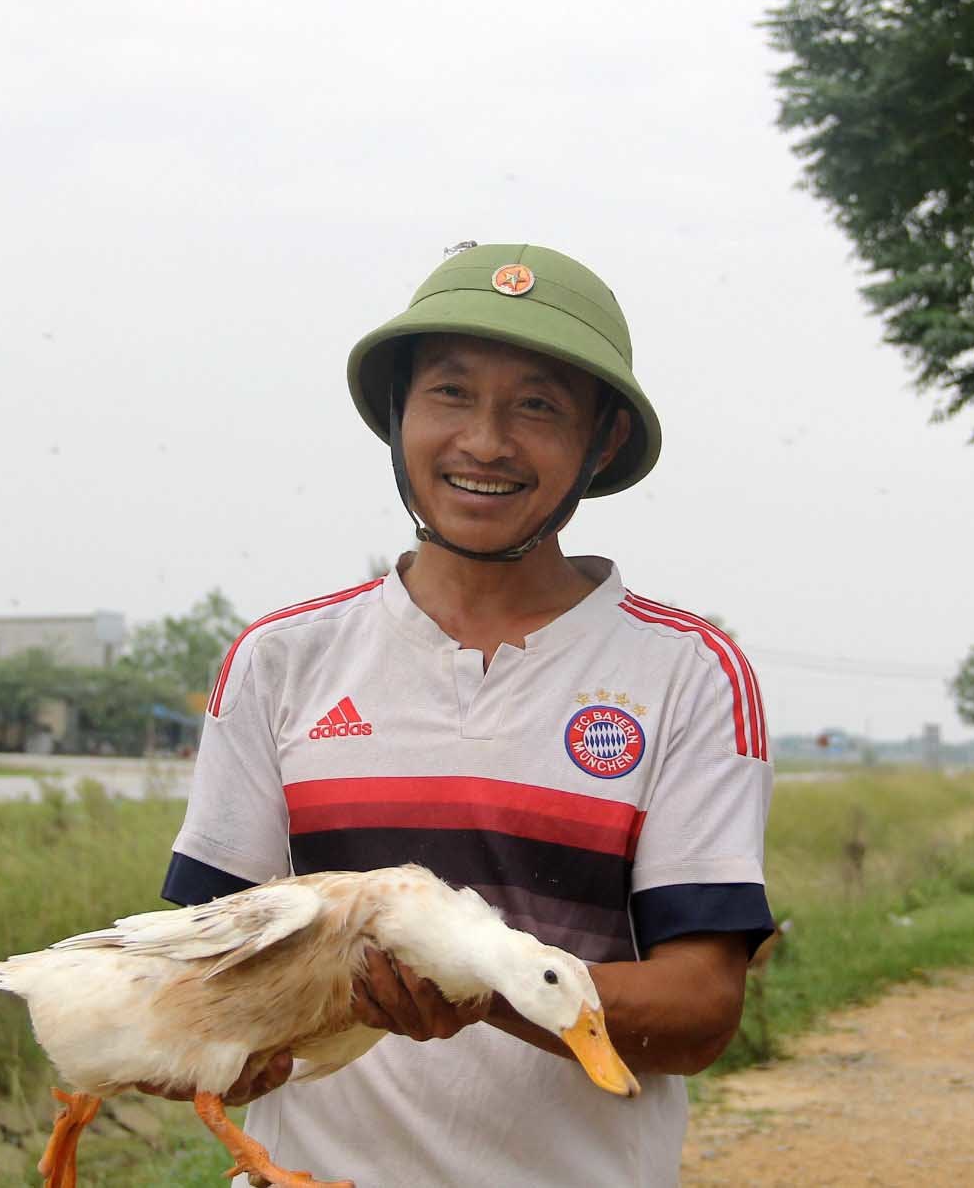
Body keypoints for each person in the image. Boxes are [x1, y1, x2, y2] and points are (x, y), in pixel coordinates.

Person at [159, 242, 775, 1187]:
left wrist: (483, 988)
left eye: (536, 405)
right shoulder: (281, 660)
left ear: (602, 441)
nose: (484, 441)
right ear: (397, 416)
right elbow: (201, 982)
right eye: (449, 393)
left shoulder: (686, 673)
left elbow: (700, 1011)